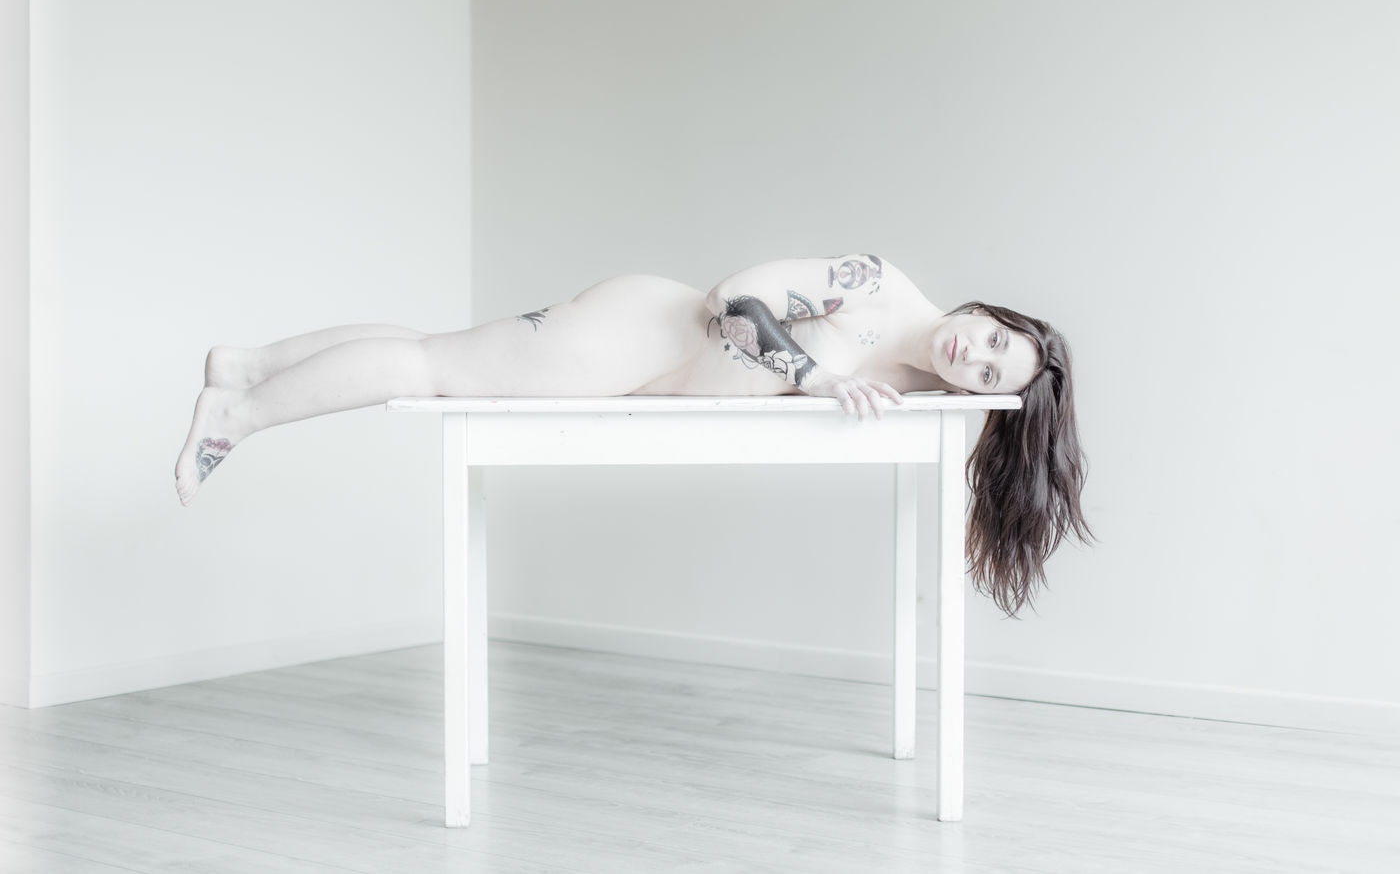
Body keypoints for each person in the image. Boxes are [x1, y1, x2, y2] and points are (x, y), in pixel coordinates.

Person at [175, 254, 1092, 616]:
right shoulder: (877, 285)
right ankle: (237, 416)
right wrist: (816, 376)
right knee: (432, 371)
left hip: (659, 374)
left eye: (988, 373)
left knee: (435, 351)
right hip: (639, 334)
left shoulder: (921, 387)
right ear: (989, 311)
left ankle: (249, 365)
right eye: (993, 339)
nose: (973, 354)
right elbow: (732, 297)